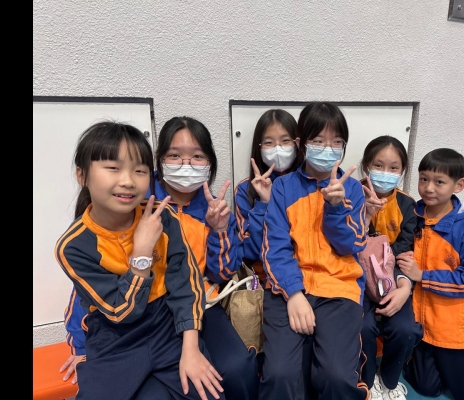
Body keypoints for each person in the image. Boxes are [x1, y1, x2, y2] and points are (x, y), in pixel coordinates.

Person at [58, 117, 259, 399]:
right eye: (175, 155)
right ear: (159, 162)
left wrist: (220, 230)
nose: (127, 180)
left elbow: (206, 277)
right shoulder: (117, 219)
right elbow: (90, 298)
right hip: (120, 329)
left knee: (228, 374)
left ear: (209, 163)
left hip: (183, 311)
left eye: (197, 156)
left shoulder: (196, 211)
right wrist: (79, 347)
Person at [258, 102, 369, 400]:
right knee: (279, 374)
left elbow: (353, 244)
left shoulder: (352, 190)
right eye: (318, 141)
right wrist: (294, 294)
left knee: (337, 375)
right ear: (301, 143)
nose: (327, 149)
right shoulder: (283, 188)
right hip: (289, 288)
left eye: (336, 142)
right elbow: (274, 248)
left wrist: (336, 208)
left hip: (339, 288)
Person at [397, 148, 464, 399]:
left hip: (458, 330)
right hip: (425, 326)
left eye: (439, 182)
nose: (428, 188)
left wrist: (422, 275)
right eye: (424, 179)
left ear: (459, 185)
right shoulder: (414, 214)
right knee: (426, 387)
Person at [358, 136, 423, 400]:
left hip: (390, 278)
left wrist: (404, 288)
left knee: (405, 329)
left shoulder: (407, 205)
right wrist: (365, 216)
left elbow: (404, 252)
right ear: (366, 166)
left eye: (394, 168)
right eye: (378, 165)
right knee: (362, 327)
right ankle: (367, 379)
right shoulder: (351, 193)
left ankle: (388, 380)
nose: (385, 173)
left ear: (402, 170)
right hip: (356, 278)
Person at [234, 109, 299, 286]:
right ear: (259, 147)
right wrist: (265, 204)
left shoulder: (307, 185)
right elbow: (252, 250)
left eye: (285, 141)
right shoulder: (245, 189)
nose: (278, 148)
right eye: (269, 142)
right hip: (265, 279)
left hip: (306, 275)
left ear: (297, 143)